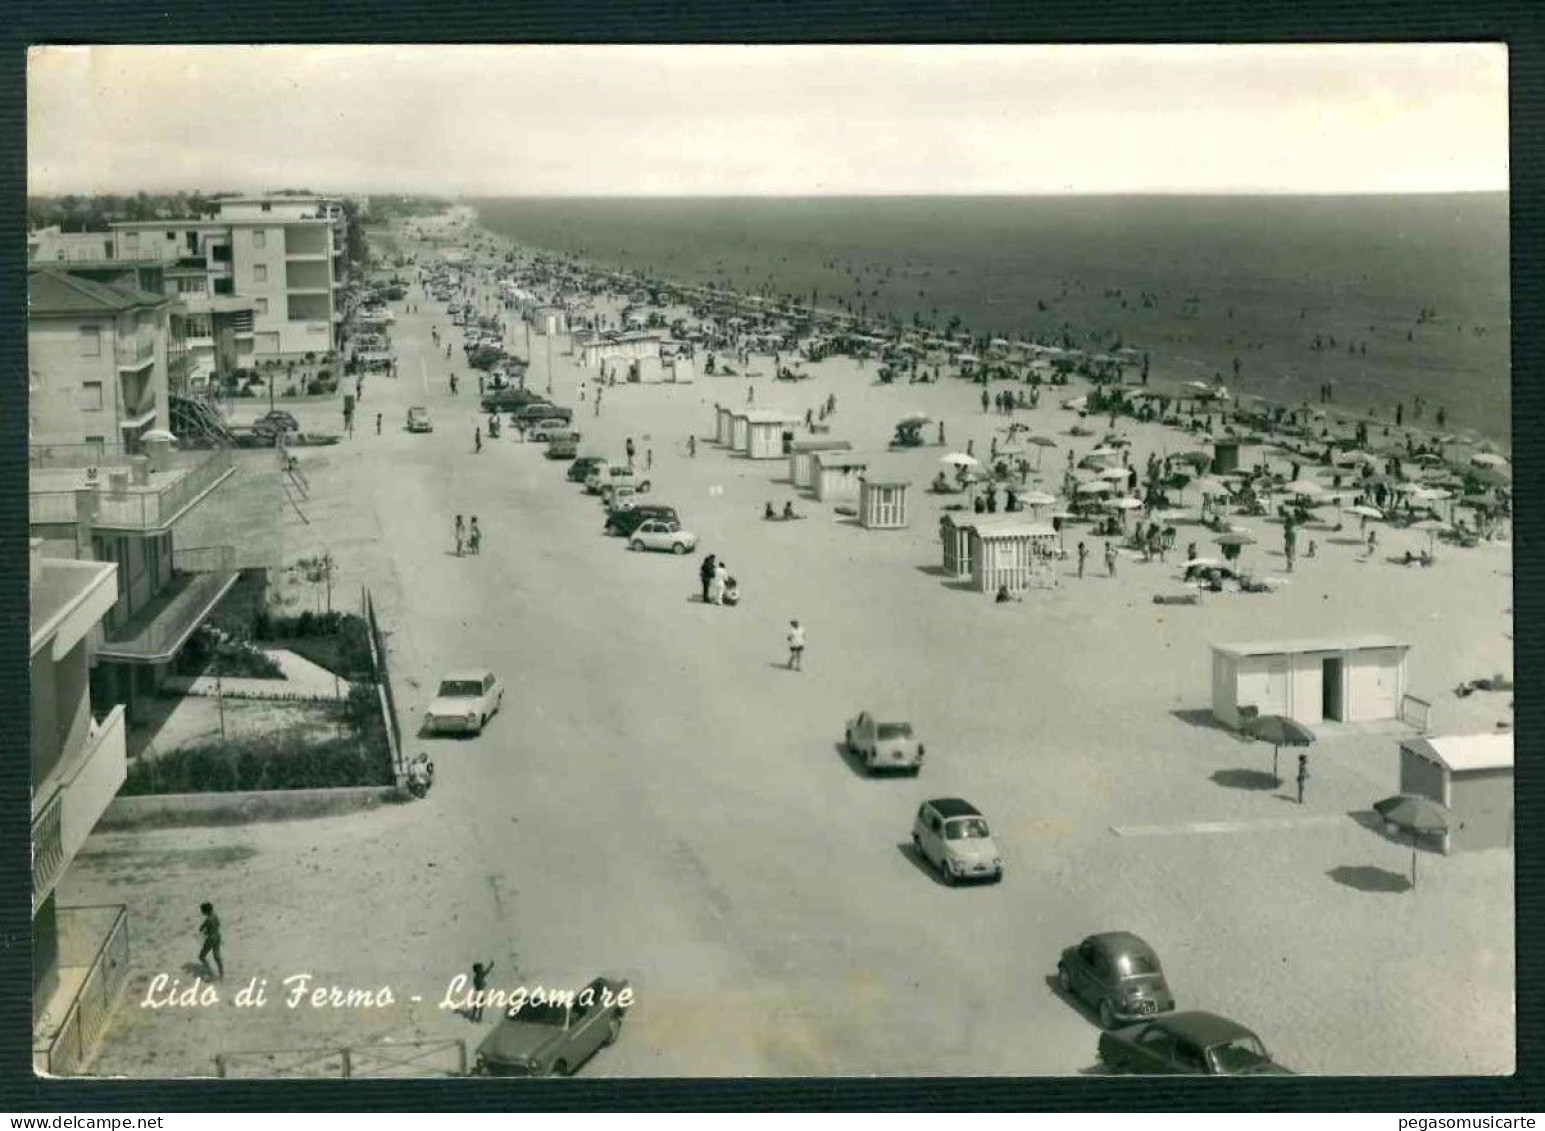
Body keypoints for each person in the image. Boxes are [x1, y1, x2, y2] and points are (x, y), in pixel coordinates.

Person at [198, 901, 224, 980]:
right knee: (217, 956)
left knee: (201, 956)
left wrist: (205, 931)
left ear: (205, 911)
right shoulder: (215, 916)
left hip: (211, 939)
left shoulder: (208, 920)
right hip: (217, 937)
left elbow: (201, 929)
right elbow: (218, 925)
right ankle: (221, 975)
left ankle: (209, 971)